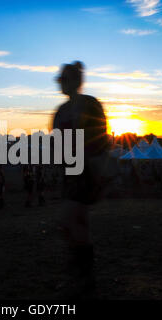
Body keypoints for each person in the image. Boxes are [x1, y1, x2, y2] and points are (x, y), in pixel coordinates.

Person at [52, 61, 109, 298]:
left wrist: (99, 168)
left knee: (68, 220)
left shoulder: (88, 105)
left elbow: (101, 137)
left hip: (87, 169)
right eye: (60, 80)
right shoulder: (62, 111)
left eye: (64, 79)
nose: (60, 84)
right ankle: (85, 277)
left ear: (75, 81)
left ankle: (82, 274)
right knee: (79, 223)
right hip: (72, 171)